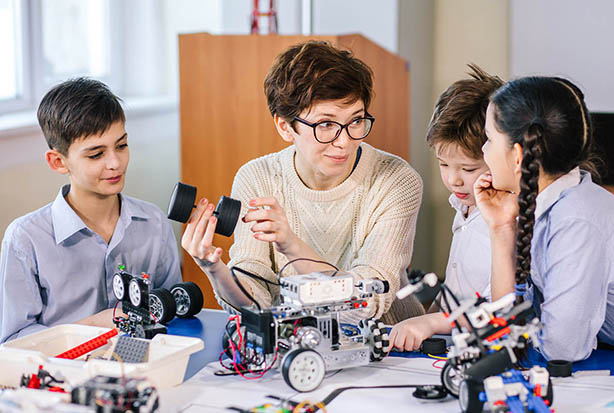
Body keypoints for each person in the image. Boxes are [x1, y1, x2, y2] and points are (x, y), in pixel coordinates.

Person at [181, 40, 424, 324]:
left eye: (356, 121)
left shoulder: (396, 180)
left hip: (390, 348)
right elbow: (254, 300)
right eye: (326, 125)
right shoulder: (257, 177)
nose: (345, 142)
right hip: (296, 345)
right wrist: (213, 267)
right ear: (285, 126)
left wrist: (291, 245)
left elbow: (366, 305)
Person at [475, 76, 614, 361]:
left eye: (488, 139)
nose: (484, 150)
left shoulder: (578, 219)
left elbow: (562, 348)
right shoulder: (544, 205)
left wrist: (524, 328)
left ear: (517, 156)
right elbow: (504, 325)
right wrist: (501, 228)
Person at [0, 78, 181, 343]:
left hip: (143, 368)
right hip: (62, 375)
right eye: (96, 154)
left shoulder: (154, 222)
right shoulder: (26, 239)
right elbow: (14, 340)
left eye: (121, 145)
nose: (115, 163)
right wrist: (93, 325)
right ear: (58, 162)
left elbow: (171, 315)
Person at [388, 65, 504, 351]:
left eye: (468, 168)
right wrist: (428, 319)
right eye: (443, 164)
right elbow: (458, 285)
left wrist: (432, 323)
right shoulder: (462, 205)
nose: (454, 179)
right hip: (457, 342)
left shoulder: (504, 221)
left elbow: (498, 308)